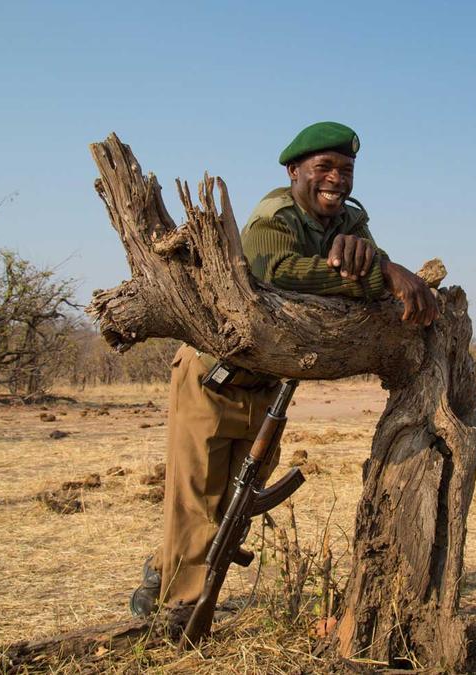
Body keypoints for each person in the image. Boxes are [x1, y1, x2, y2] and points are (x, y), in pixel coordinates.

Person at [130, 121, 437, 630]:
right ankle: (180, 613)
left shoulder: (351, 221)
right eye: (324, 167)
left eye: (346, 170)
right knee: (196, 498)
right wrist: (382, 274)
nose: (337, 179)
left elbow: (366, 268)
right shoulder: (273, 215)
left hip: (268, 385)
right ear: (295, 171)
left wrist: (378, 264)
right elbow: (275, 272)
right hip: (212, 377)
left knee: (238, 500)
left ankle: (162, 569)